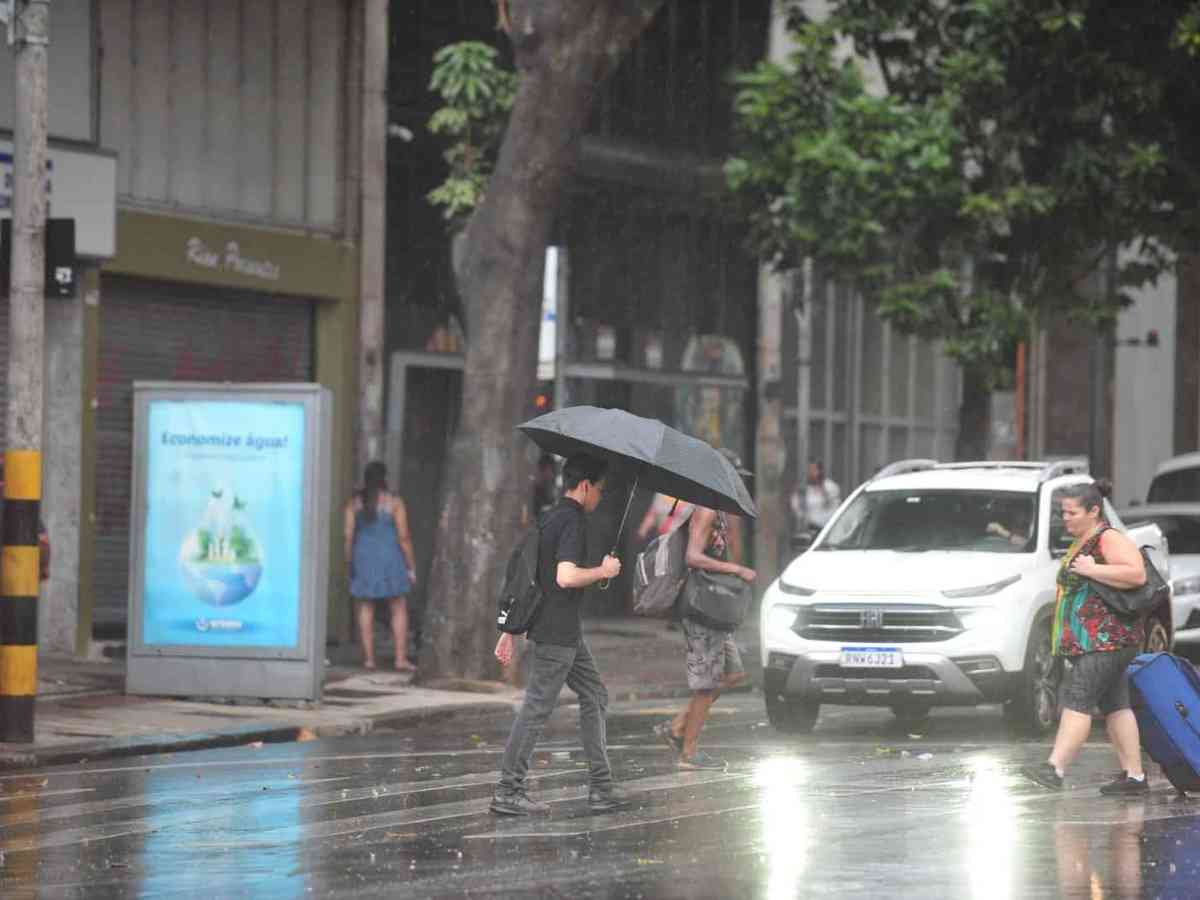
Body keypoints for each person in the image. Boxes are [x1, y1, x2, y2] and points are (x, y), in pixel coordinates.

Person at [491, 454, 632, 816]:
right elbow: (564, 577)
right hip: (557, 633)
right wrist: (603, 570)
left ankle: (601, 787)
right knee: (536, 708)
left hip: (561, 631)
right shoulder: (572, 521)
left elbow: (523, 575)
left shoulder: (548, 517)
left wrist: (509, 630)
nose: (600, 497)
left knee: (595, 695)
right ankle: (509, 789)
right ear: (585, 486)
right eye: (599, 489)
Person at [1022, 481, 1149, 794]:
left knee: (1077, 699)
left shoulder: (1108, 538)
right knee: (1116, 705)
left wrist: (1093, 570)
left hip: (1106, 641)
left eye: (1071, 512)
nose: (1065, 518)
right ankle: (1135, 777)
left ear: (1093, 511)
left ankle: (1055, 768)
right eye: (1062, 512)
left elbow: (1137, 574)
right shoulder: (1083, 539)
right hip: (1096, 642)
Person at [655, 450, 756, 770]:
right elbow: (693, 557)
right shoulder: (706, 509)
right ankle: (690, 753)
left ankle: (677, 728)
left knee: (733, 674)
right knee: (706, 684)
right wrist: (735, 570)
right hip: (702, 606)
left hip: (715, 607)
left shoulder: (721, 510)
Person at [343, 461, 417, 672]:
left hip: (363, 557)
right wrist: (411, 566)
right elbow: (404, 537)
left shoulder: (354, 504)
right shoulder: (394, 502)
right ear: (385, 478)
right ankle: (400, 659)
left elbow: (348, 537)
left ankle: (368, 659)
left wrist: (349, 563)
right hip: (390, 558)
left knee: (365, 607)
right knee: (398, 606)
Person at [790, 459, 841, 534]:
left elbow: (835, 506)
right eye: (809, 470)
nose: (810, 473)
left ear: (820, 471)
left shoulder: (830, 487)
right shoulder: (803, 490)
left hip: (829, 529)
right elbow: (796, 506)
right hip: (810, 528)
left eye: (813, 470)